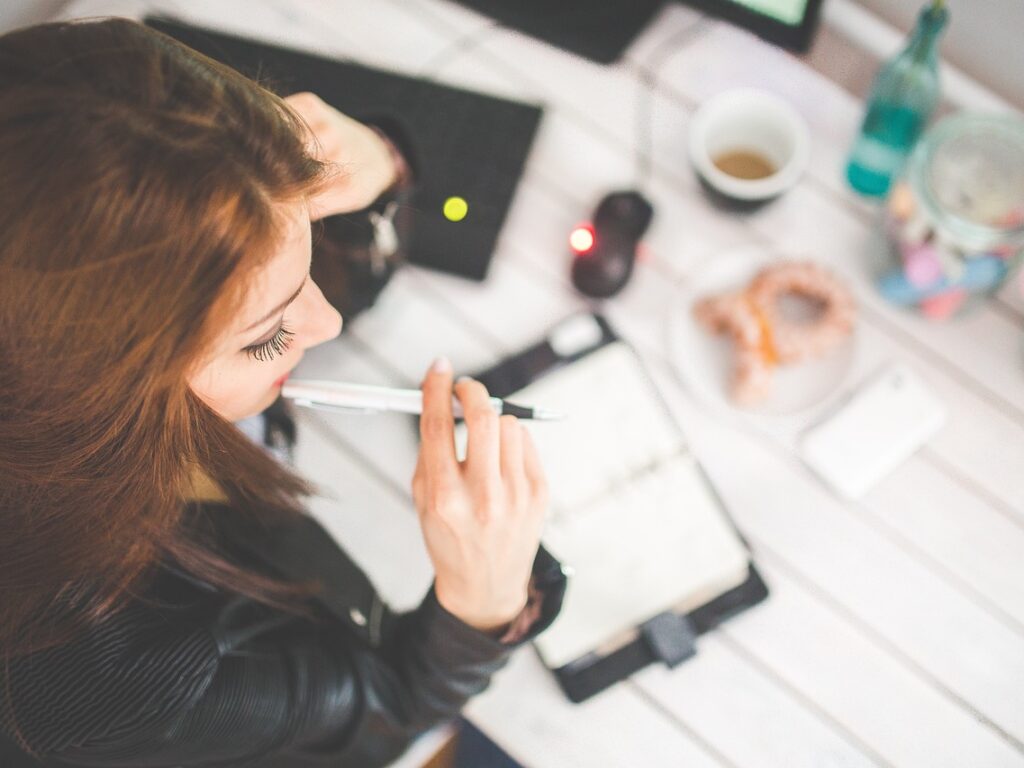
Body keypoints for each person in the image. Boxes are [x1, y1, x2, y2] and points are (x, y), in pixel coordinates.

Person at [0, 17, 566, 767]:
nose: (326, 324)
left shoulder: (121, 189)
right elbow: (388, 715)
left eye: (308, 231)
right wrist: (481, 604)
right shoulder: (109, 670)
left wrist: (380, 163)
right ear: (101, 394)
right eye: (265, 337)